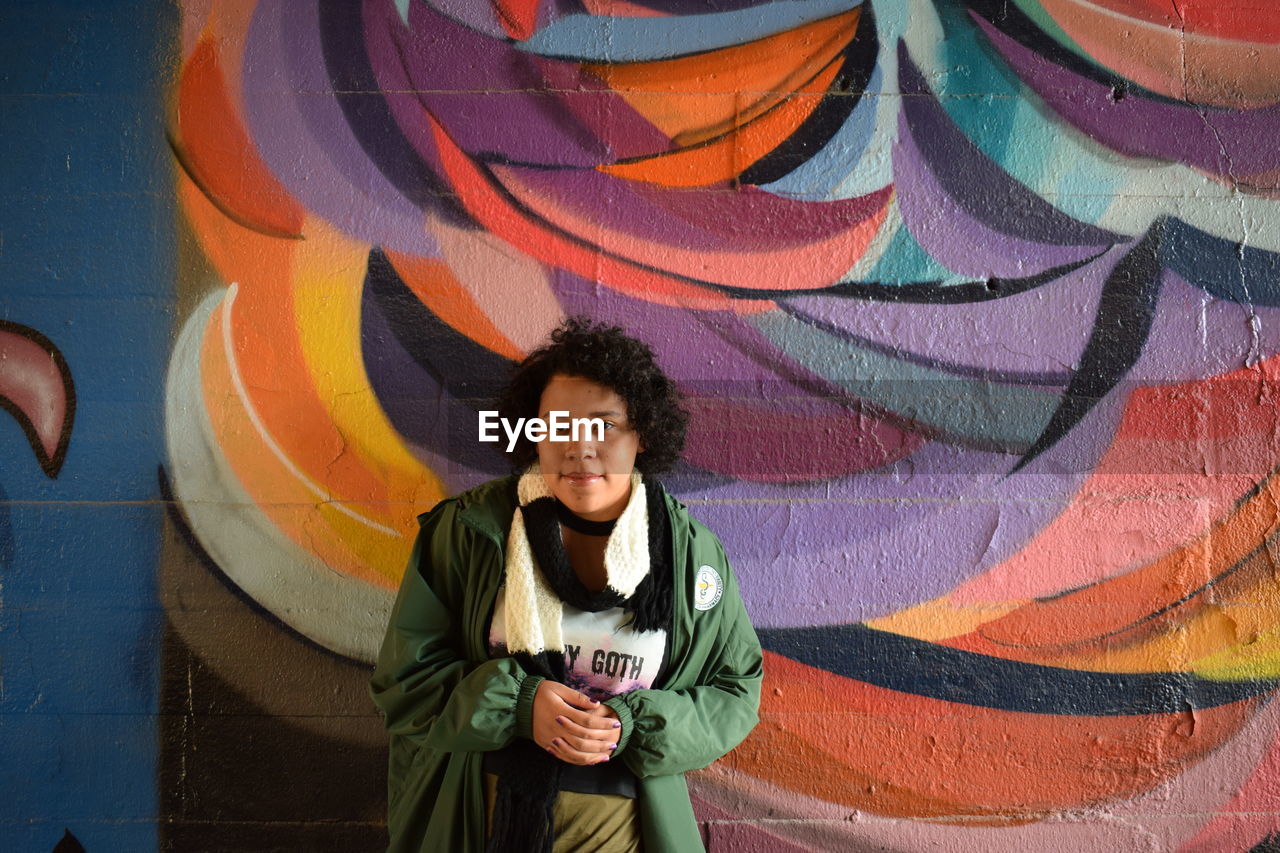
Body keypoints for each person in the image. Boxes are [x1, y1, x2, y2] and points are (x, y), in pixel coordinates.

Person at [370, 317, 763, 853]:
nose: (579, 447)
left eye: (603, 426)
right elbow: (404, 684)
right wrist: (516, 707)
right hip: (477, 825)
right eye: (556, 426)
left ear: (641, 435)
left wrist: (635, 725)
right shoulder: (468, 532)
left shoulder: (691, 556)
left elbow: (734, 692)